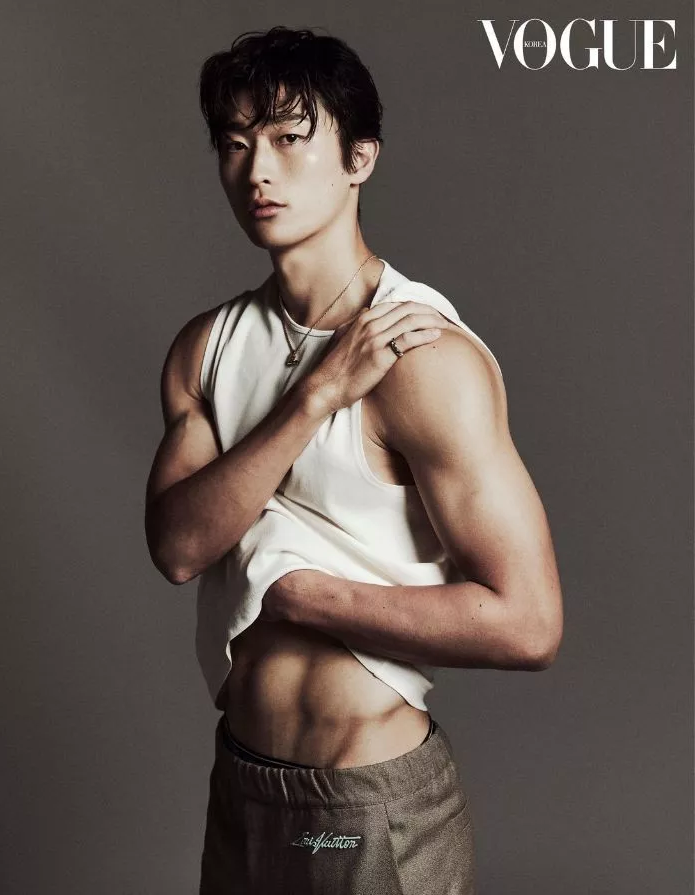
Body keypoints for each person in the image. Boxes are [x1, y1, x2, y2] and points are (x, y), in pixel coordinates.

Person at [144, 25, 563, 895]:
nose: (257, 170)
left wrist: (300, 593)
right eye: (236, 144)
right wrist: (315, 396)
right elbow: (179, 547)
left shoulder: (424, 358)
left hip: (368, 804)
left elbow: (529, 624)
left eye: (289, 138)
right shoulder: (205, 349)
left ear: (359, 159)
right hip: (244, 788)